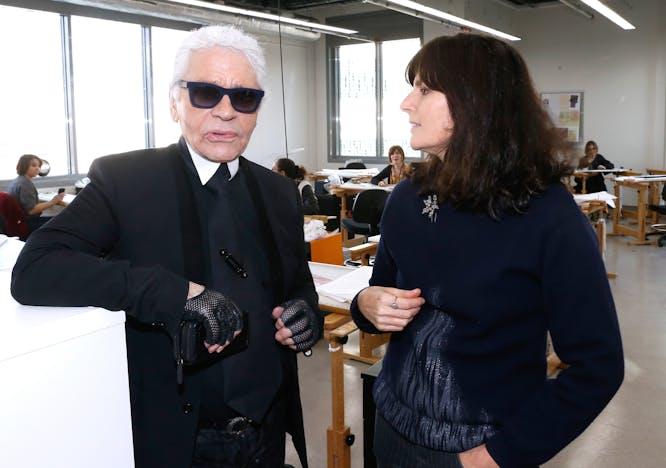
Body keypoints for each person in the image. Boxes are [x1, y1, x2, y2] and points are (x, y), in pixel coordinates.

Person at [12, 25, 322, 468]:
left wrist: (304, 314)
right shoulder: (127, 181)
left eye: (244, 98)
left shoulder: (279, 192)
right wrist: (173, 293)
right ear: (175, 101)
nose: (226, 112)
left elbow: (297, 286)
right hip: (181, 439)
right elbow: (35, 271)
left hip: (267, 432)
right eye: (205, 93)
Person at [350, 33, 623, 468]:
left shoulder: (549, 218)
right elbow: (377, 294)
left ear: (473, 102)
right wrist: (366, 303)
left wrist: (497, 456)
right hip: (392, 426)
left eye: (424, 89)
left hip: (481, 446)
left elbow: (598, 367)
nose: (405, 103)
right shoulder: (407, 199)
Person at [7, 154, 65, 233]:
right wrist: (53, 202)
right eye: (33, 165)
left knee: (59, 219)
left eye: (39, 166)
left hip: (20, 221)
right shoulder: (25, 184)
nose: (37, 168)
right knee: (63, 221)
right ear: (24, 166)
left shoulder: (18, 181)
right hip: (28, 223)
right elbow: (32, 210)